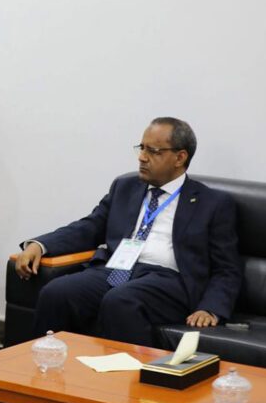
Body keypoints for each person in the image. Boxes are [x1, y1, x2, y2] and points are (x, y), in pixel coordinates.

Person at [15, 117, 242, 347]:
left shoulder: (212, 203)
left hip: (169, 279)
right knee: (57, 292)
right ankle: (40, 365)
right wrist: (39, 245)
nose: (142, 157)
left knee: (120, 301)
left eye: (153, 151)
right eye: (141, 148)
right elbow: (90, 226)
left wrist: (211, 308)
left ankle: (130, 370)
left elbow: (227, 268)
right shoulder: (125, 187)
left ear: (180, 157)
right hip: (118, 270)